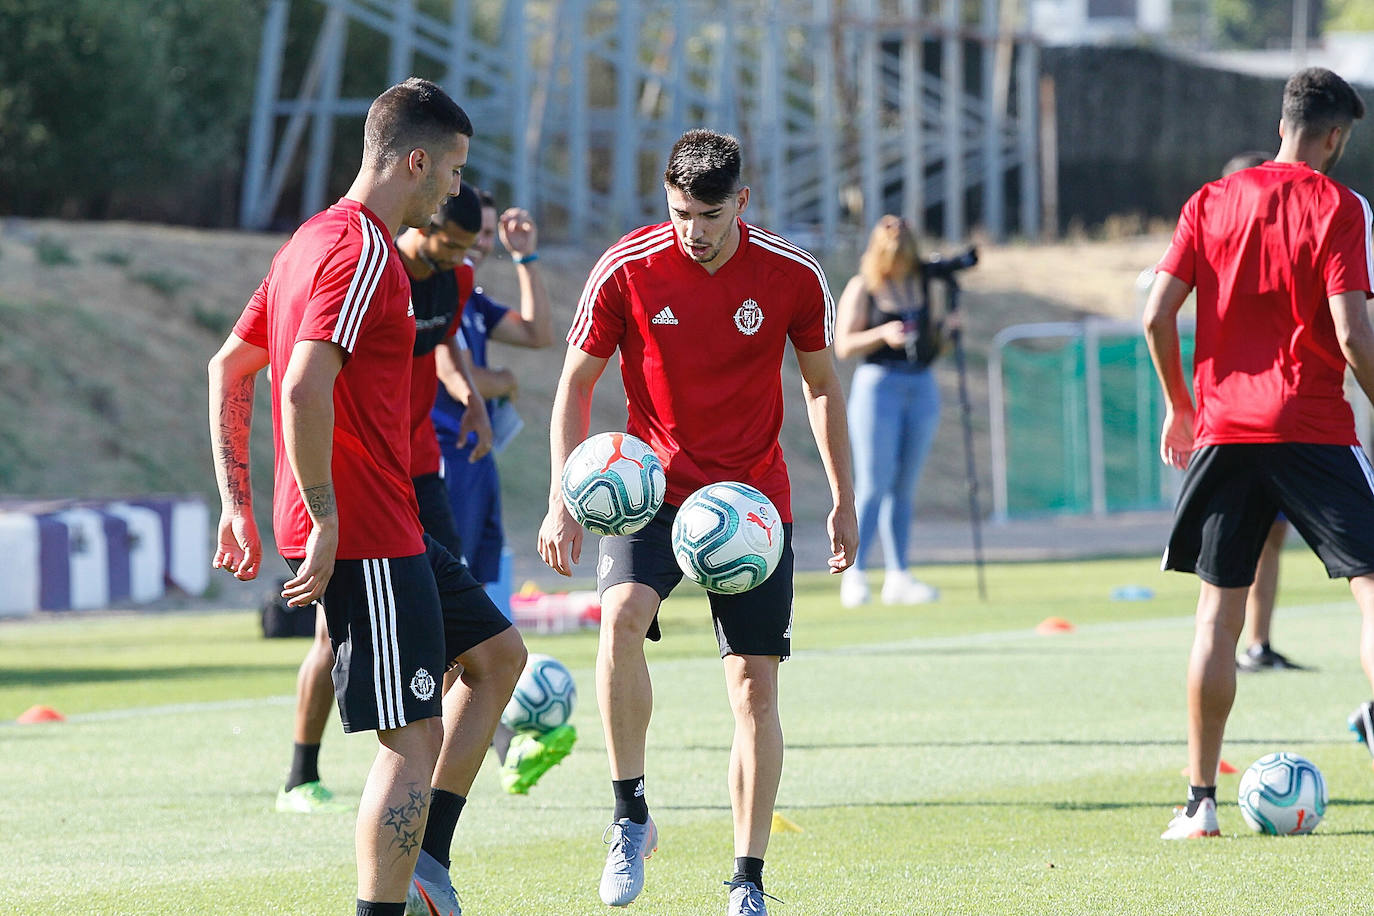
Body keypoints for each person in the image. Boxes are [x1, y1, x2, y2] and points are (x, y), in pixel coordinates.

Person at [208, 78, 523, 916]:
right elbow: (304, 386)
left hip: (398, 523)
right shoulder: (360, 251)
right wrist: (322, 516)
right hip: (371, 533)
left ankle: (429, 866)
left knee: (498, 657)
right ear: (416, 160)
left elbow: (230, 368)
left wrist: (238, 502)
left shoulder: (307, 239)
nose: (458, 188)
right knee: (412, 740)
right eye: (454, 169)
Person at [537, 128, 858, 915]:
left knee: (753, 690)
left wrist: (844, 497)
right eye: (682, 212)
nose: (695, 230)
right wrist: (562, 498)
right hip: (651, 493)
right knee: (617, 619)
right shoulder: (626, 268)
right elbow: (574, 384)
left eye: (710, 214)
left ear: (740, 202)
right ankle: (630, 815)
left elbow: (821, 387)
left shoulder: (791, 274)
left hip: (750, 506)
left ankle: (746, 880)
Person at [1143, 68, 1374, 840]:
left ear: (1284, 123)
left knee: (1217, 612)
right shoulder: (1340, 205)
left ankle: (1199, 803)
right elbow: (1352, 333)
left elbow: (1155, 316)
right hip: (1310, 424)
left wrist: (1182, 407)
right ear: (1336, 135)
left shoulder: (1209, 201)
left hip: (1224, 430)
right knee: (1373, 593)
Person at [276, 183, 489, 818]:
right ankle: (302, 771)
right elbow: (299, 384)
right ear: (425, 225)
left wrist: (470, 395)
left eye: (464, 249)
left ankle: (435, 770)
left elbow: (444, 345)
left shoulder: (453, 281)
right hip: (359, 489)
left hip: (418, 473)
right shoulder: (372, 263)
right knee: (328, 635)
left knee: (465, 635)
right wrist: (321, 509)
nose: (453, 257)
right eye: (447, 243)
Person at [430, 189, 570, 795]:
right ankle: (464, 752)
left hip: (480, 462)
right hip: (442, 462)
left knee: (485, 605)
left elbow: (541, 333)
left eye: (489, 234)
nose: (482, 244)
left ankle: (501, 743)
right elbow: (448, 365)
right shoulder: (432, 290)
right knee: (447, 619)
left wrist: (526, 259)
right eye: (479, 232)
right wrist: (499, 382)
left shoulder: (473, 298)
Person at [1215, 152, 1309, 674]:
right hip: (1237, 421)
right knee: (1231, 549)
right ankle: (1226, 652)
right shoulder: (1220, 247)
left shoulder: (1285, 248)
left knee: (1273, 536)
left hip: (1281, 417)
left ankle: (1259, 643)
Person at [833, 214, 955, 607]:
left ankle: (899, 574)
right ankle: (856, 572)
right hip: (879, 384)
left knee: (904, 485)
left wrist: (948, 331)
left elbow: (935, 346)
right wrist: (883, 334)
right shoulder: (864, 286)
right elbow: (844, 345)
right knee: (874, 482)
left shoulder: (921, 284)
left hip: (920, 384)